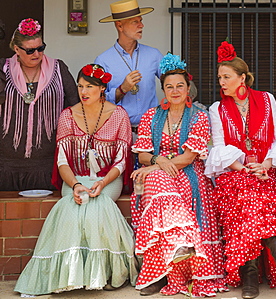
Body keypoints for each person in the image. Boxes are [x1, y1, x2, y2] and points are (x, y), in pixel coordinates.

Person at [14, 64, 138, 296]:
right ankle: (67, 275)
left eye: (89, 86)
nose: (83, 91)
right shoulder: (68, 115)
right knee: (70, 207)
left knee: (97, 205)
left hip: (107, 178)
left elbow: (121, 162)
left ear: (102, 89)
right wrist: (76, 185)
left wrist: (101, 183)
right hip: (75, 179)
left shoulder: (119, 115)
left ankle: (102, 273)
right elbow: (62, 162)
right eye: (81, 86)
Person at [204, 41, 276, 299]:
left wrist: (265, 165)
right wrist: (245, 168)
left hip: (264, 170)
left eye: (226, 77)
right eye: (219, 78)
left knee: (253, 197)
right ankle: (274, 246)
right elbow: (220, 149)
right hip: (233, 172)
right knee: (246, 197)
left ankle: (250, 276)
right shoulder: (217, 109)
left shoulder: (267, 100)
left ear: (242, 78)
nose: (222, 83)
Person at [130, 53, 227, 297]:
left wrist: (155, 165)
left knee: (160, 182)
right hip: (160, 174)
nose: (174, 91)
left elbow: (188, 158)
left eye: (179, 86)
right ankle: (172, 260)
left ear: (188, 89)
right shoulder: (151, 116)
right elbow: (142, 155)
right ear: (163, 90)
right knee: (159, 182)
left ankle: (172, 271)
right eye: (169, 86)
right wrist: (157, 161)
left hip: (188, 173)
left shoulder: (199, 116)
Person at [0, 18, 78, 191]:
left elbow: (75, 106)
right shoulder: (3, 70)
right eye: (30, 50)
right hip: (6, 163)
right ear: (16, 49)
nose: (36, 54)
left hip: (46, 162)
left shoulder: (58, 69)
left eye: (40, 48)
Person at [95, 0, 163, 130]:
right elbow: (98, 102)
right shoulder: (103, 61)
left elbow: (173, 83)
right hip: (118, 132)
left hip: (152, 131)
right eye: (135, 22)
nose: (141, 25)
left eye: (141, 20)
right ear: (119, 26)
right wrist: (122, 89)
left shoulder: (154, 55)